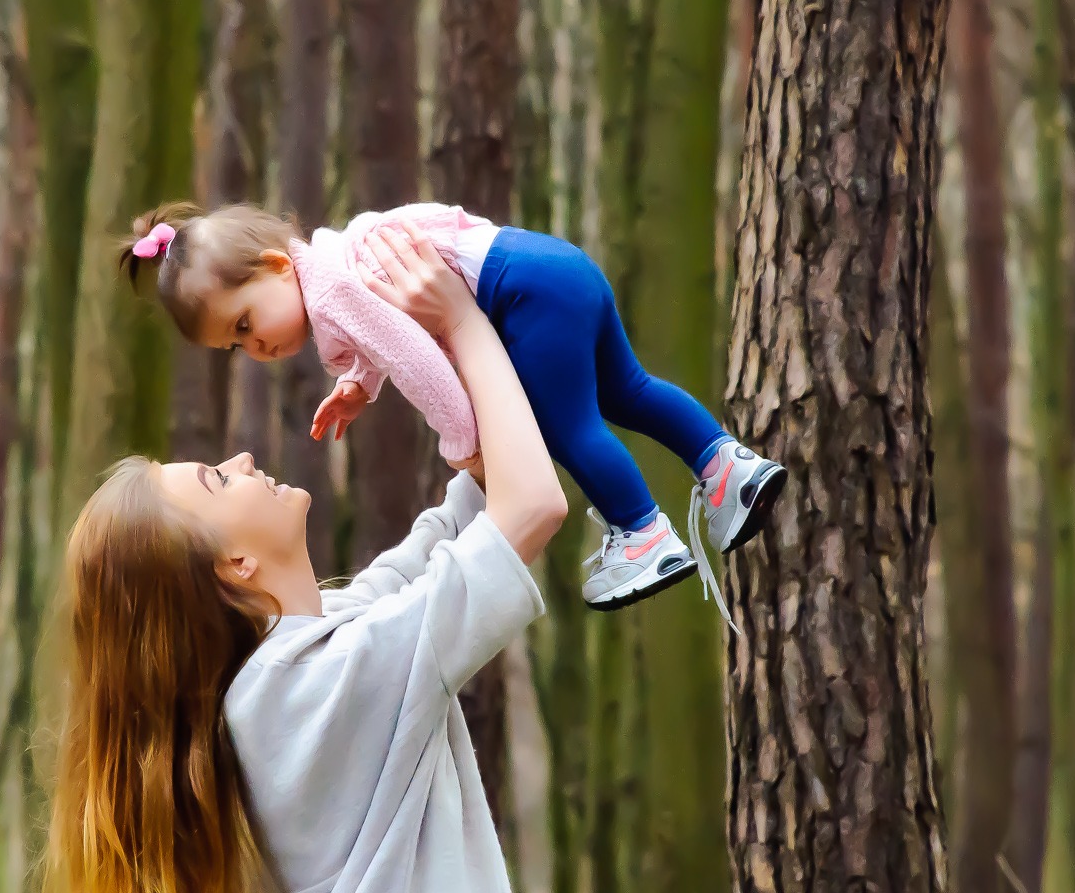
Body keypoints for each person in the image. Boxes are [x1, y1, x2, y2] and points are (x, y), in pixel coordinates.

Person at [45, 225, 571, 893]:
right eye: (218, 481)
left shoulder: (313, 661)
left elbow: (472, 508)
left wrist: (412, 337)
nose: (244, 460)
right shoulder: (309, 692)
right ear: (236, 564)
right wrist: (461, 323)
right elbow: (529, 507)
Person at [115, 202, 784, 621]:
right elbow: (387, 329)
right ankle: (727, 467)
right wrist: (360, 384)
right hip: (553, 268)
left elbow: (417, 359)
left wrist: (464, 442)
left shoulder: (331, 296)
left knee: (567, 426)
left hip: (520, 297)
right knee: (627, 390)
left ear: (273, 266)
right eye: (236, 346)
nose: (254, 347)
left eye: (244, 323)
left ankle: (641, 534)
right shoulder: (334, 264)